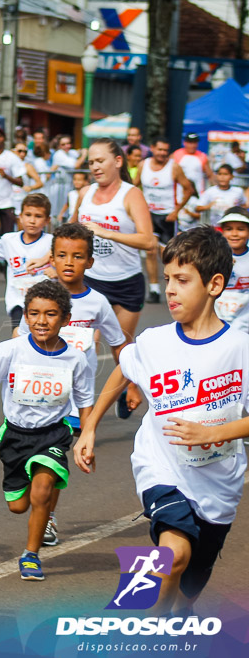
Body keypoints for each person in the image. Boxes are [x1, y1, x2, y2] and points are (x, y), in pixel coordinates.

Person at [74, 227, 249, 615]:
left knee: (186, 591)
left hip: (218, 484)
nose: (169, 289)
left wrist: (213, 433)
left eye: (182, 281)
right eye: (167, 278)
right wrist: (90, 427)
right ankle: (132, 623)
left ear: (214, 284)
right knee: (171, 557)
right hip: (162, 467)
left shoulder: (240, 348)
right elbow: (124, 368)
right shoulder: (155, 341)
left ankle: (168, 627)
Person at [15, 223, 140, 545]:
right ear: (51, 258)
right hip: (32, 398)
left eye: (78, 256)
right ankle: (38, 504)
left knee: (52, 466)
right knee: (27, 477)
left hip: (71, 401)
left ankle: (48, 518)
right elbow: (18, 338)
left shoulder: (97, 302)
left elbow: (118, 345)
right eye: (61, 255)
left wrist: (133, 384)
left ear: (90, 262)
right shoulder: (39, 295)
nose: (69, 262)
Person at [0, 280, 94, 581]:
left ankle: (31, 554)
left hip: (53, 433)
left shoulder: (75, 358)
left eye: (51, 314)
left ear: (66, 319)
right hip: (15, 435)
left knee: (40, 493)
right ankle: (41, 501)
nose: (42, 321)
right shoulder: (9, 350)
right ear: (25, 316)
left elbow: (86, 401)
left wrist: (87, 436)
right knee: (18, 506)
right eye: (35, 313)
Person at [66, 139, 155, 402]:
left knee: (122, 350)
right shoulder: (85, 194)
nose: (94, 166)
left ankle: (132, 387)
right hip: (91, 280)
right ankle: (78, 407)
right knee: (83, 346)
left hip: (126, 283)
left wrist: (105, 232)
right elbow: (69, 232)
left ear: (117, 162)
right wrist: (46, 258)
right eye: (91, 162)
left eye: (100, 160)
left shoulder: (131, 194)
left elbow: (148, 241)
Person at [0, 194, 53, 334]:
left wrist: (56, 271)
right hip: (18, 300)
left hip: (46, 302)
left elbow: (65, 260)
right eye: (28, 215)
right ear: (20, 216)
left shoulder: (52, 241)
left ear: (47, 220)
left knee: (42, 342)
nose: (32, 221)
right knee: (18, 335)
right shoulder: (9, 240)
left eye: (38, 216)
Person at [135, 137, 195, 303]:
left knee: (167, 254)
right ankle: (154, 290)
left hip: (167, 215)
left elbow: (189, 189)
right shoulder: (143, 165)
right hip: (148, 215)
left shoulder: (173, 167)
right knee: (149, 251)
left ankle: (175, 287)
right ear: (152, 148)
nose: (162, 153)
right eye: (159, 149)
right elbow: (134, 187)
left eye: (165, 150)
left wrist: (177, 210)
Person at [215, 207, 249, 332]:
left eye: (241, 229)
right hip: (216, 322)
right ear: (222, 231)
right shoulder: (212, 256)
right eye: (229, 229)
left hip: (244, 325)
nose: (234, 234)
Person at [9, 141, 45, 218]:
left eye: (25, 152)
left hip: (20, 199)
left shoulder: (27, 166)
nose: (22, 154)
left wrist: (30, 187)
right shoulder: (7, 164)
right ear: (13, 151)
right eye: (20, 151)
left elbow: (40, 183)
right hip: (7, 199)